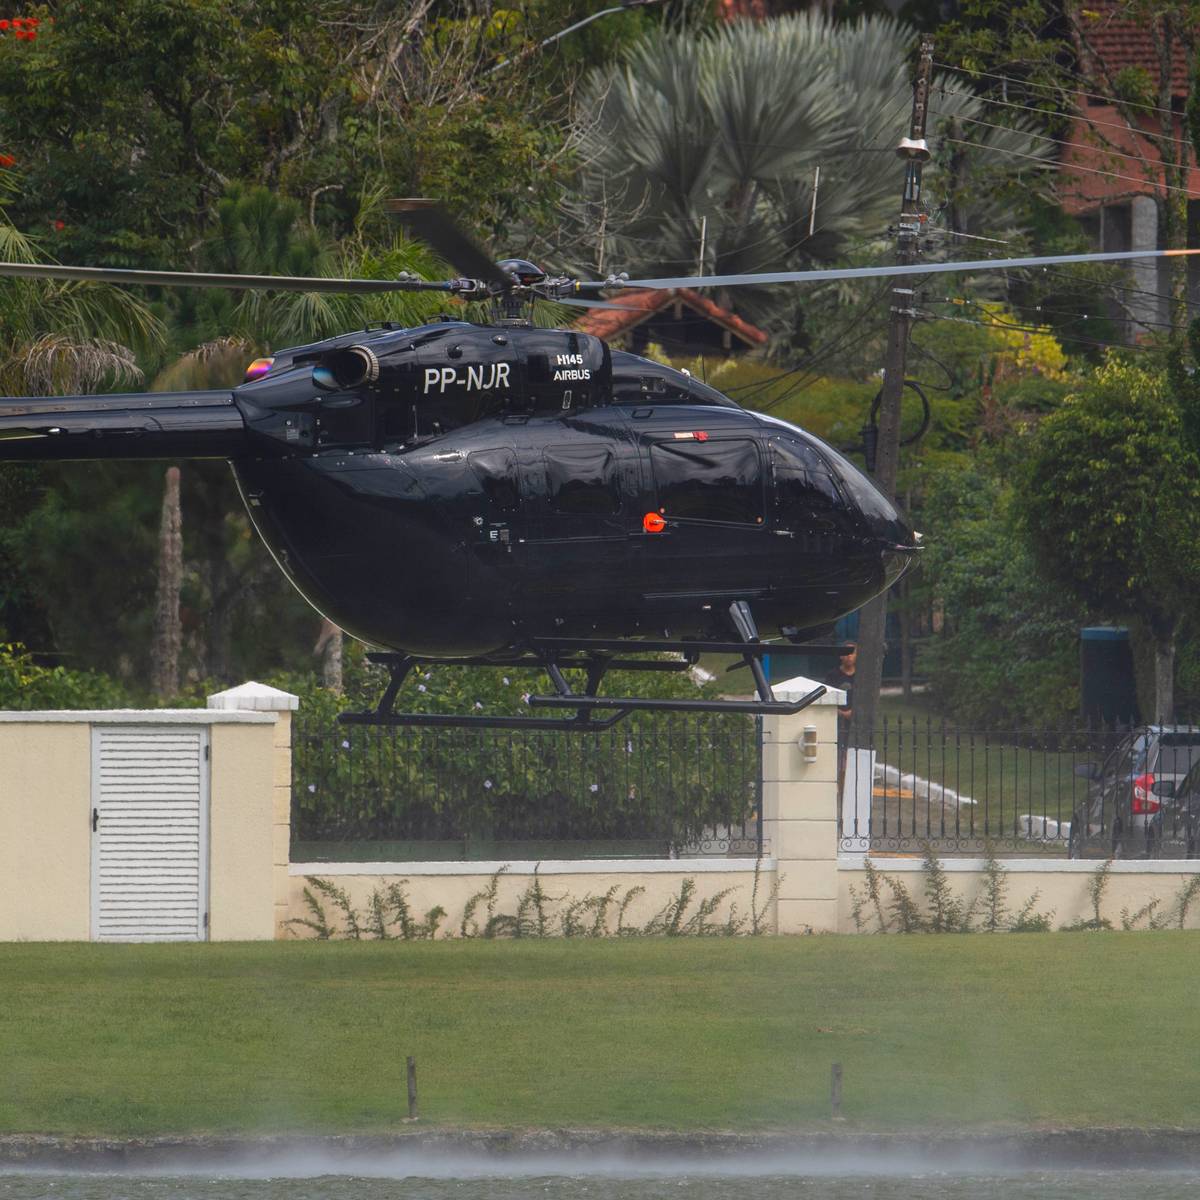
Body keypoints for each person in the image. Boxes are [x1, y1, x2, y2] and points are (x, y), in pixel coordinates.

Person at [824, 641, 856, 797]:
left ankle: (847, 790)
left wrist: (854, 712)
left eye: (852, 653)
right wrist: (841, 713)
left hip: (855, 724)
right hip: (836, 721)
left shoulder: (862, 675)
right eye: (846, 653)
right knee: (838, 757)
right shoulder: (833, 675)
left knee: (850, 757)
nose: (849, 657)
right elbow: (826, 698)